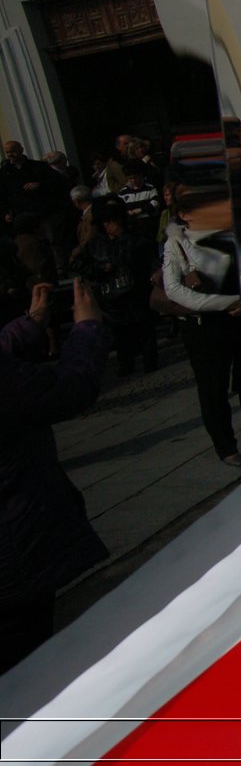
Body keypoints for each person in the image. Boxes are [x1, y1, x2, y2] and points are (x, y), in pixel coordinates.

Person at [0, 278, 111, 676]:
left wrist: (29, 325)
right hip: (13, 559)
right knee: (27, 671)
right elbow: (69, 388)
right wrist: (87, 329)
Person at [164, 186, 241, 467]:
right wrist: (220, 303)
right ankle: (225, 445)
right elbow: (173, 289)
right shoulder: (176, 244)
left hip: (234, 319)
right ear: (183, 215)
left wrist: (240, 297)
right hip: (203, 326)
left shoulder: (225, 238)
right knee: (213, 389)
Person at [74, 196, 158, 376]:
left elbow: (148, 258)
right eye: (106, 222)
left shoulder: (136, 238)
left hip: (137, 289)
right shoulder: (96, 243)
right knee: (121, 333)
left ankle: (150, 361)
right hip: (111, 294)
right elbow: (79, 264)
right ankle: (126, 364)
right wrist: (100, 268)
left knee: (145, 328)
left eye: (112, 221)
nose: (109, 226)